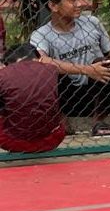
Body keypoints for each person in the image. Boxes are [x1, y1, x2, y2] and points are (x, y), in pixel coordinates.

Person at [28, 0, 110, 135]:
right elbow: (41, 60)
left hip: (95, 95)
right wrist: (87, 70)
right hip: (63, 99)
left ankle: (99, 122)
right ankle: (61, 124)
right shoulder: (41, 35)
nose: (80, 4)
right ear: (53, 6)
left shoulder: (92, 23)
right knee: (48, 72)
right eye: (73, 0)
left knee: (104, 63)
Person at [0, 23, 66, 155]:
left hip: (9, 141)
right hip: (52, 139)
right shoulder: (52, 70)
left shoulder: (5, 74)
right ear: (40, 59)